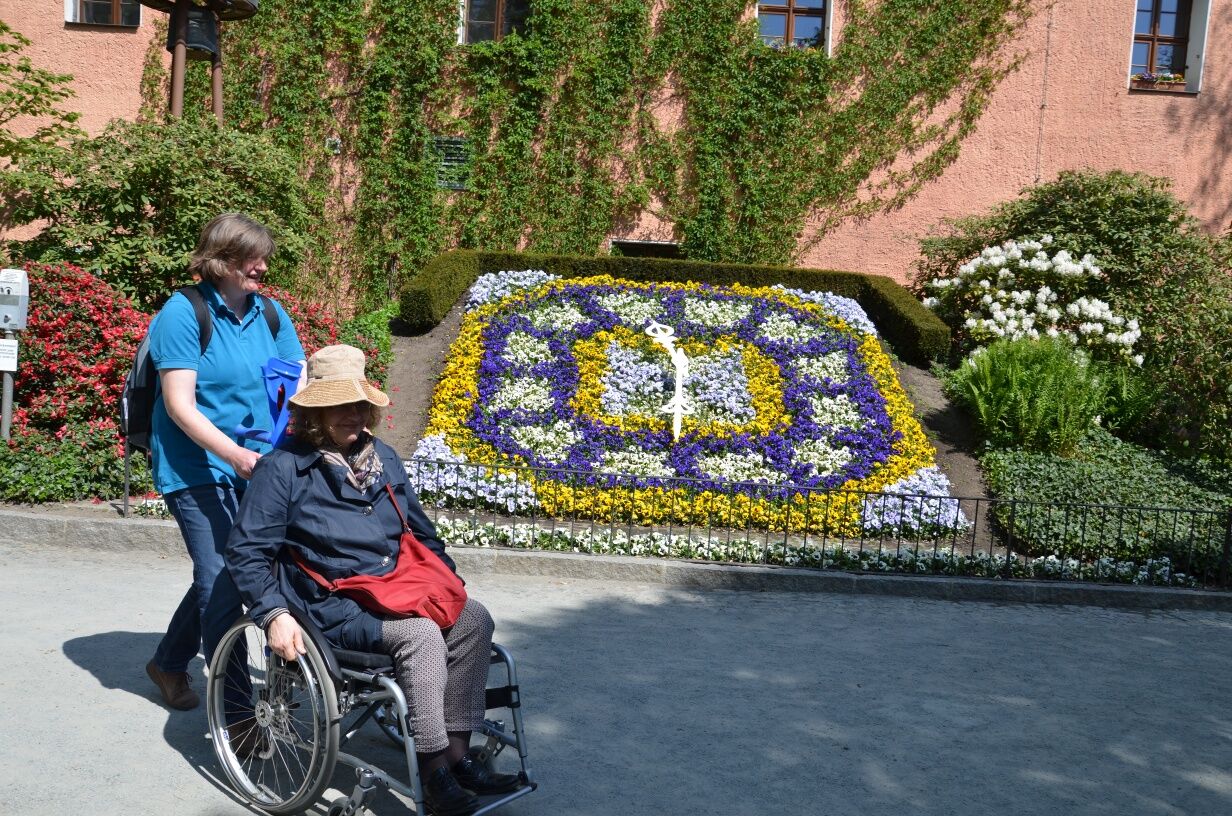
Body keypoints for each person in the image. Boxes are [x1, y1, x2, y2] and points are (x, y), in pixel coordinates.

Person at [225, 345, 521, 816]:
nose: (355, 415)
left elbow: (422, 532)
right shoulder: (282, 469)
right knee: (421, 635)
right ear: (314, 412)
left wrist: (447, 585)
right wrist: (273, 614)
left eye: (361, 404)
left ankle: (457, 755)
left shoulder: (382, 457)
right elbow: (247, 551)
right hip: (333, 604)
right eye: (341, 405)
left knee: (473, 619)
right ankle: (434, 772)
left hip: (397, 586)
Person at [144, 213, 306, 712]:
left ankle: (169, 662)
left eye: (263, 258)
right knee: (219, 574)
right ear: (221, 260)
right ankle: (236, 712)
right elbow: (179, 405)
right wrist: (233, 454)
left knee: (234, 570)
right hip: (195, 464)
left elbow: (298, 381)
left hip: (258, 462)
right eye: (251, 259)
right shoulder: (183, 312)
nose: (262, 267)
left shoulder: (270, 313)